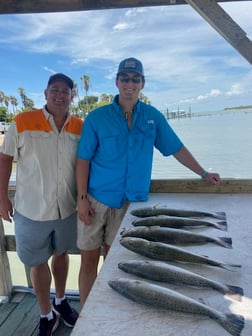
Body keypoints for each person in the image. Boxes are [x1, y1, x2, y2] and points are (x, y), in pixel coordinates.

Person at [76, 57, 221, 307]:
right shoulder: (96, 118)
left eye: (135, 79)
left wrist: (203, 173)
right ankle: (86, 313)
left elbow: (176, 148)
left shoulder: (153, 116)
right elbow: (83, 159)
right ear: (117, 82)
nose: (129, 84)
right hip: (96, 200)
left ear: (142, 84)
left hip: (131, 205)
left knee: (117, 259)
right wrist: (81, 199)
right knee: (88, 260)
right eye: (125, 78)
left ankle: (109, 312)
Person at [0, 73, 83, 336]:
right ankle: (46, 314)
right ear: (45, 94)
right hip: (31, 209)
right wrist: (2, 197)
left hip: (67, 208)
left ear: (71, 96)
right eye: (55, 90)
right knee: (37, 262)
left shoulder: (80, 126)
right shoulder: (23, 122)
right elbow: (4, 158)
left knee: (62, 255)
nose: (60, 95)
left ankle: (60, 301)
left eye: (65, 92)